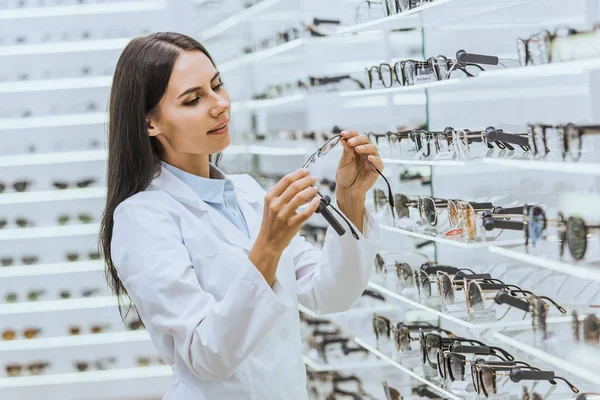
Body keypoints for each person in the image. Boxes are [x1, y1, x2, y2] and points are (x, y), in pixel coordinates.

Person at [99, 32, 382, 400]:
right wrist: (267, 247)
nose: (220, 105)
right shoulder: (142, 219)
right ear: (150, 123)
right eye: (193, 99)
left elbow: (330, 294)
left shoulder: (246, 192)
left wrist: (351, 200)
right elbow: (206, 354)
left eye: (217, 85)